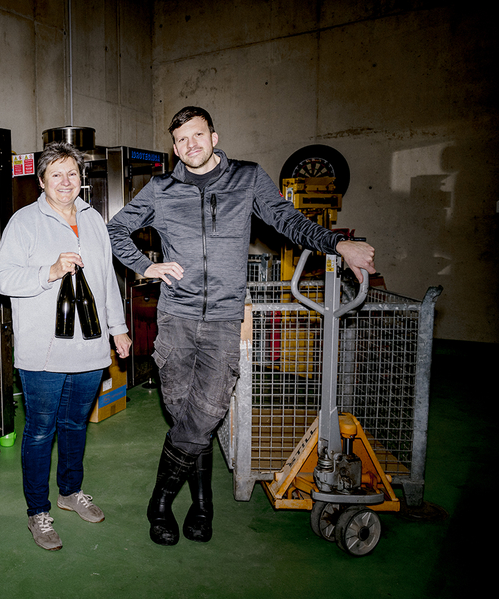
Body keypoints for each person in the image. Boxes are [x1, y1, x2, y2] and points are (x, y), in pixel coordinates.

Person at [107, 106, 376, 546]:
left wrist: (336, 243)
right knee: (186, 419)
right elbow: (116, 232)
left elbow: (288, 221)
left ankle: (159, 504)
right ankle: (201, 506)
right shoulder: (161, 188)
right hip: (175, 319)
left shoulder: (247, 178)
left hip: (223, 319)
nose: (190, 144)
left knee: (204, 415)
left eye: (197, 135)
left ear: (214, 136)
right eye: (181, 139)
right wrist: (147, 267)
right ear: (174, 147)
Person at [0, 142, 132, 551]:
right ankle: (38, 511)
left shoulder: (94, 221)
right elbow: (2, 279)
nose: (66, 182)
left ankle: (70, 492)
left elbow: (106, 279)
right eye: (56, 174)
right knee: (39, 432)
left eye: (72, 173)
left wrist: (118, 328)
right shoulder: (23, 222)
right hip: (44, 350)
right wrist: (49, 271)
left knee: (74, 425)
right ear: (42, 181)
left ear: (81, 179)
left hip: (89, 347)